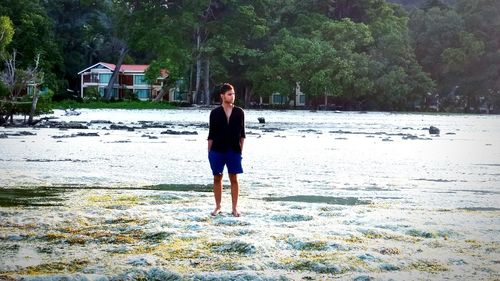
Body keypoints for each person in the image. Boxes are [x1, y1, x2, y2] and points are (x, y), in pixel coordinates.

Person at [207, 83, 246, 217]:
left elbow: (242, 134)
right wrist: (209, 153)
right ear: (222, 96)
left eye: (233, 94)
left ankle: (235, 208)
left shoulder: (239, 112)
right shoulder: (215, 113)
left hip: (234, 150)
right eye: (229, 94)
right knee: (217, 177)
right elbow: (211, 134)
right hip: (217, 150)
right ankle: (218, 206)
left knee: (233, 178)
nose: (232, 96)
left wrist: (240, 150)